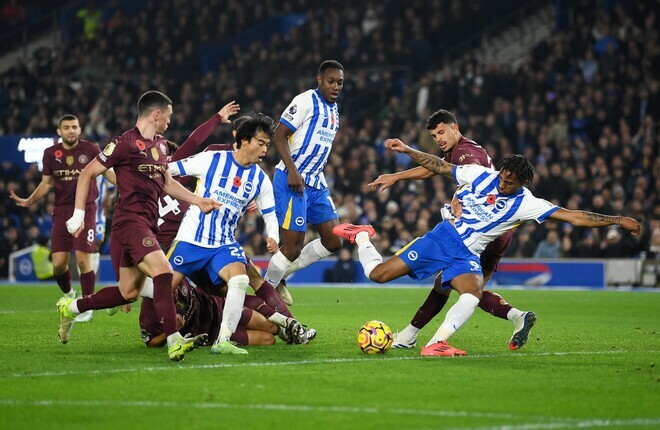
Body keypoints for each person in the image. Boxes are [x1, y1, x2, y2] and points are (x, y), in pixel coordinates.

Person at [335, 141, 641, 357]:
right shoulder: (481, 175)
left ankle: (436, 343)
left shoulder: (528, 203)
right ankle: (362, 236)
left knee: (472, 293)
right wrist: (406, 150)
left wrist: (617, 219)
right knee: (377, 275)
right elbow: (440, 166)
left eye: (510, 181)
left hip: (468, 254)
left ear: (522, 182)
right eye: (503, 175)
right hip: (443, 238)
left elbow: (574, 217)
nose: (503, 182)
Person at [58, 90, 221, 362]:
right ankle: (174, 340)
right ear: (156, 114)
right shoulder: (124, 143)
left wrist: (198, 201)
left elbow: (168, 184)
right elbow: (88, 173)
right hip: (130, 222)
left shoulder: (161, 146)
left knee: (128, 293)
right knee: (164, 273)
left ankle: (71, 308)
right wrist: (77, 215)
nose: (170, 122)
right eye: (168, 117)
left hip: (146, 224)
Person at [368, 109, 536, 350]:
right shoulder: (457, 152)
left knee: (453, 285)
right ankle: (517, 316)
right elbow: (433, 169)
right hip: (500, 233)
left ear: (455, 128)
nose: (439, 139)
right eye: (435, 136)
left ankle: (411, 336)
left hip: (482, 231)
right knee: (468, 289)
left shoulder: (465, 151)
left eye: (442, 132)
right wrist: (396, 176)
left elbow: (472, 171)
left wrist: (458, 196)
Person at [166, 113, 280, 355]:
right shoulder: (210, 160)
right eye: (261, 143)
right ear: (244, 141)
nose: (264, 149)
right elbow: (169, 170)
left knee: (240, 280)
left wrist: (274, 236)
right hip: (191, 239)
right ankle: (124, 296)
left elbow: (270, 213)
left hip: (223, 243)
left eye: (267, 144)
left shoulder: (261, 178)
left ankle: (223, 340)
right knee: (159, 288)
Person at [10, 114, 109, 322]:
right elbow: (46, 184)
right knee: (58, 265)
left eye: (74, 127)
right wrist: (29, 201)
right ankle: (70, 295)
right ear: (59, 132)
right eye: (67, 127)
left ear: (80, 130)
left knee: (83, 258)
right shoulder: (50, 154)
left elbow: (107, 172)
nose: (71, 130)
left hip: (86, 209)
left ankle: (87, 305)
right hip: (61, 212)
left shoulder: (91, 149)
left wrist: (127, 188)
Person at [264, 60, 345, 305]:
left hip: (316, 182)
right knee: (292, 248)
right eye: (331, 81)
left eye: (340, 82)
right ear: (319, 79)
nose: (336, 86)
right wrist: (292, 171)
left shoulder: (334, 109)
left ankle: (280, 274)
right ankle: (266, 292)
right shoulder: (305, 101)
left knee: (334, 240)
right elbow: (278, 135)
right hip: (292, 179)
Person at [140, 279, 313, 349]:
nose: (174, 292)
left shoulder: (177, 275)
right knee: (269, 340)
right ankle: (290, 329)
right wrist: (170, 331)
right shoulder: (149, 314)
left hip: (220, 307)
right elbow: (150, 342)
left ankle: (289, 331)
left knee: (269, 326)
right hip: (212, 334)